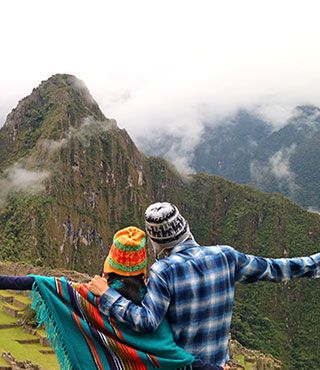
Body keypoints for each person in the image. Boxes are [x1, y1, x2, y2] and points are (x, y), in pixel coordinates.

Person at [87, 202, 320, 368]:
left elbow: (146, 322)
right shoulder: (225, 256)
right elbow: (277, 269)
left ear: (156, 244)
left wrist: (107, 294)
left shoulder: (164, 271)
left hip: (186, 366)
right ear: (186, 229)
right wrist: (316, 262)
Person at [0, 226, 225, 370]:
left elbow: (33, 282)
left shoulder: (87, 296)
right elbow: (177, 356)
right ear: (142, 272)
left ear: (109, 268)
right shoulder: (156, 305)